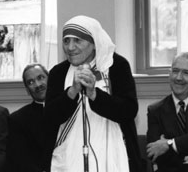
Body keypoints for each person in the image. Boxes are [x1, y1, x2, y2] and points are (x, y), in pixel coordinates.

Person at [44, 15, 143, 172]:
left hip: (113, 154)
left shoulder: (116, 66)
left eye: (77, 40)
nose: (70, 47)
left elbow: (129, 110)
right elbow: (50, 118)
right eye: (66, 41)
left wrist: (93, 94)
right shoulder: (58, 72)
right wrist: (72, 91)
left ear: (94, 43)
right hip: (69, 158)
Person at [6, 64, 48, 172]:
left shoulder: (69, 108)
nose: (38, 85)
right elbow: (21, 160)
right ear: (27, 90)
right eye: (31, 82)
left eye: (40, 78)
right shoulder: (17, 120)